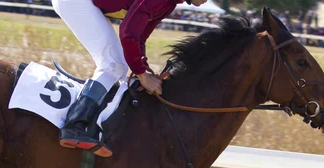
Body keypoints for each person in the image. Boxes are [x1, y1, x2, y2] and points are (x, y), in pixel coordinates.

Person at [52, 0, 207, 157]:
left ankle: (90, 122)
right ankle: (74, 126)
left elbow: (139, 37)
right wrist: (141, 74)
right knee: (113, 64)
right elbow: (127, 33)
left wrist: (143, 67)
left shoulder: (169, 4)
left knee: (118, 66)